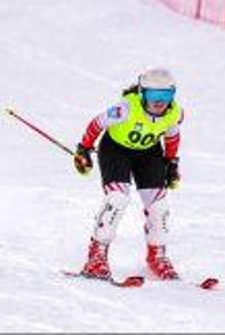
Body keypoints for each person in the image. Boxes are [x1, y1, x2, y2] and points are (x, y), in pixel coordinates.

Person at [72, 67, 184, 281]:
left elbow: (172, 136)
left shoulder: (174, 112)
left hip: (148, 154)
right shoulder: (126, 108)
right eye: (153, 95)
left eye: (166, 95)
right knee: (117, 198)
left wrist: (171, 162)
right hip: (116, 150)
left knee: (159, 206)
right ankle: (96, 257)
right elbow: (97, 123)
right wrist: (84, 149)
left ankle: (157, 257)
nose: (160, 101)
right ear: (142, 93)